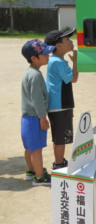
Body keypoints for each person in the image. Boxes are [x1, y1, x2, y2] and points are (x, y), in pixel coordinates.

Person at [21, 39, 55, 186]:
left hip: (27, 118)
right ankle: (39, 177)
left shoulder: (29, 72)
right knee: (36, 149)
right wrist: (43, 117)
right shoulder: (35, 75)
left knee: (29, 147)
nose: (48, 55)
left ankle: (32, 171)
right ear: (34, 58)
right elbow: (37, 99)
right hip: (35, 117)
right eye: (45, 54)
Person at [44, 27, 78, 170]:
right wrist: (76, 62)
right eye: (67, 39)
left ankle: (60, 160)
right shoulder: (58, 62)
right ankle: (58, 164)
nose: (70, 41)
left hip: (58, 105)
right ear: (58, 46)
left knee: (59, 137)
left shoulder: (56, 60)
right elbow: (73, 79)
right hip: (60, 105)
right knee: (60, 138)